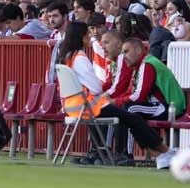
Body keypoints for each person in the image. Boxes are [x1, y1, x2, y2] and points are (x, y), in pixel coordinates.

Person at [58, 23, 174, 168]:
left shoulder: (67, 57)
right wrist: (105, 95)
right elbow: (95, 88)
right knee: (133, 119)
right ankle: (165, 151)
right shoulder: (80, 57)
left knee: (129, 117)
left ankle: (160, 154)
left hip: (72, 108)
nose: (91, 37)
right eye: (87, 34)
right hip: (87, 106)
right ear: (81, 37)